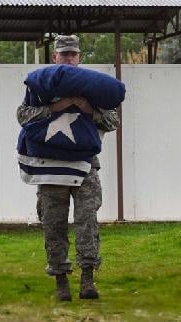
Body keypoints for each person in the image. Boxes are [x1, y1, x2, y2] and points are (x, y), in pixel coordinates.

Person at [16, 35, 119, 301]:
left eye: (73, 54)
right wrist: (55, 107)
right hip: (50, 167)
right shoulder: (43, 85)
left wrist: (89, 109)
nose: (69, 58)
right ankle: (61, 281)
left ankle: (88, 279)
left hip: (85, 167)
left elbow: (113, 121)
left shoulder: (92, 88)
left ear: (80, 57)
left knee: (87, 221)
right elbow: (23, 116)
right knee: (54, 224)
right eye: (64, 54)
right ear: (55, 58)